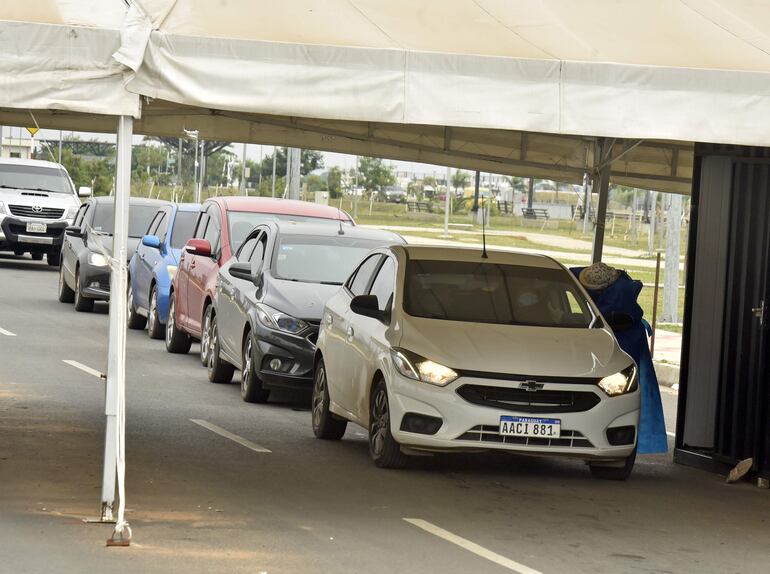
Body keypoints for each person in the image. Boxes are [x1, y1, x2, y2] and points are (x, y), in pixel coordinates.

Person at [572, 262, 668, 455]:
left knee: (623, 395)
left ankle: (624, 440)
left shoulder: (616, 303)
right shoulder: (619, 286)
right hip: (630, 342)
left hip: (623, 346)